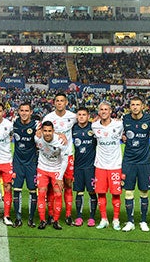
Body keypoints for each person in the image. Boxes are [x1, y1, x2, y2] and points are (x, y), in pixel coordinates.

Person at [121, 95, 150, 232]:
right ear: (130, 107)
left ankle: (143, 221)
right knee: (128, 192)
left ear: (143, 106)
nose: (135, 107)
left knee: (144, 191)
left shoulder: (149, 119)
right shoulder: (124, 119)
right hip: (128, 161)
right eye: (133, 104)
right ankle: (130, 221)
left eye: (137, 104)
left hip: (144, 161)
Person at [43, 92, 77, 226]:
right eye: (57, 100)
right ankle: (51, 214)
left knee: (68, 184)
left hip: (67, 155)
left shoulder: (72, 116)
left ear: (66, 102)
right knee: (52, 187)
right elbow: (42, 131)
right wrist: (58, 134)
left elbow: (85, 120)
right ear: (54, 103)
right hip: (53, 158)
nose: (59, 103)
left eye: (62, 100)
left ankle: (68, 214)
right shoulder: (49, 117)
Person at [91, 100, 123, 230]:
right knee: (101, 193)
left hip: (115, 165)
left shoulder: (119, 125)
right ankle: (104, 219)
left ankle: (116, 219)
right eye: (101, 109)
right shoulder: (94, 126)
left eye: (106, 109)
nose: (104, 112)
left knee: (116, 194)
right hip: (100, 165)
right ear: (99, 112)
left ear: (110, 111)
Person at [34, 121, 70, 230]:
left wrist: (59, 178)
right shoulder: (37, 138)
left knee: (58, 194)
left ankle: (56, 220)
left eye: (50, 131)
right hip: (43, 168)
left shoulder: (61, 141)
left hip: (56, 169)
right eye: (45, 131)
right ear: (41, 131)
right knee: (41, 193)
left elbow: (65, 161)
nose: (47, 133)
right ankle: (42, 220)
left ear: (53, 131)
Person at [11, 102, 40, 228]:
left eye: (26, 110)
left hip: (31, 163)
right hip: (17, 162)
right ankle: (18, 218)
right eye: (21, 110)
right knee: (16, 190)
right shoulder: (13, 122)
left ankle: (31, 218)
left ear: (31, 112)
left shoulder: (36, 125)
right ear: (18, 111)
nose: (24, 113)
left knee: (33, 191)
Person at [71, 107, 97, 227]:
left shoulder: (94, 128)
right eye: (79, 114)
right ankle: (79, 217)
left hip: (91, 166)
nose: (81, 117)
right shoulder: (73, 128)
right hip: (78, 167)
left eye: (84, 115)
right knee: (79, 192)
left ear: (88, 116)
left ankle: (92, 217)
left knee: (92, 191)